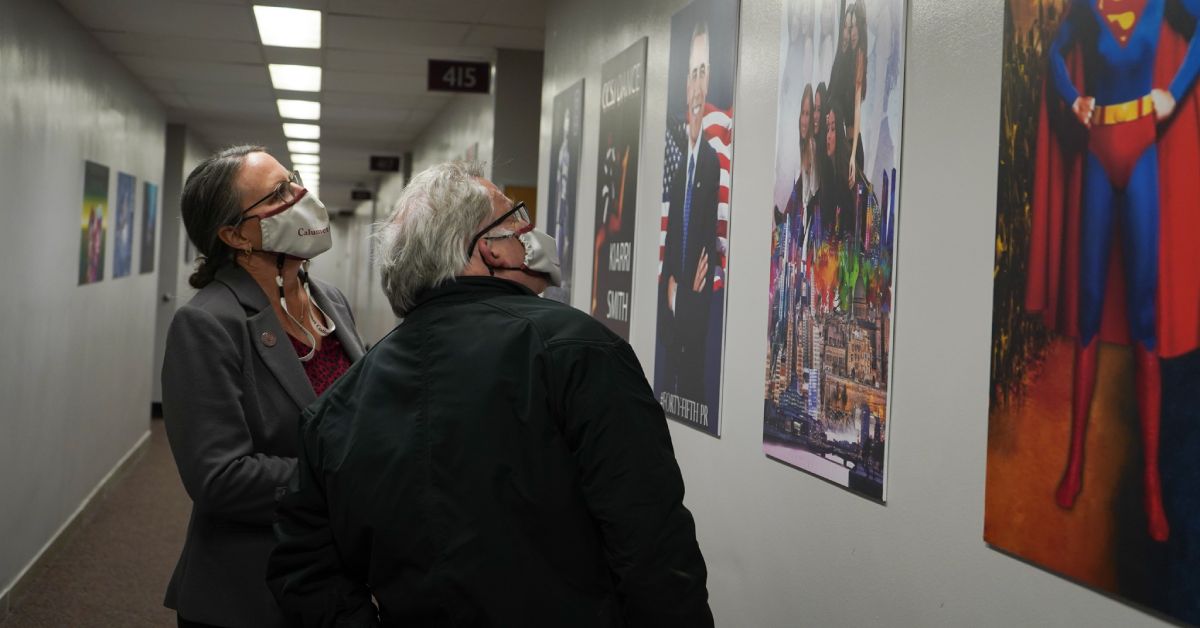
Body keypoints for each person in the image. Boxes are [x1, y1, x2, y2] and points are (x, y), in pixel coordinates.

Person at [267, 162, 712, 627]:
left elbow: (303, 569)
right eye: (516, 219)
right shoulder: (578, 351)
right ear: (490, 250)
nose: (531, 232)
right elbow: (652, 544)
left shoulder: (339, 404)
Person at [161, 145, 365, 628]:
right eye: (279, 193)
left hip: (334, 579)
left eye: (292, 180)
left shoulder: (327, 299)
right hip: (249, 589)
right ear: (235, 234)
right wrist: (345, 480)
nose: (301, 195)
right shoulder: (208, 322)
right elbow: (220, 478)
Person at [1029, 0, 1200, 543]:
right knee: (1089, 308)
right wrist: (1071, 96)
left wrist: (1176, 88)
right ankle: (1075, 461)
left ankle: (1150, 480)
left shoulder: (1165, 3)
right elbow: (1055, 56)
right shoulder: (1086, 8)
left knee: (1146, 315)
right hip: (1100, 157)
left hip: (1144, 153)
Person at [658, 21, 722, 405]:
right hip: (672, 337)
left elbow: (701, 271)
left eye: (704, 74)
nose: (697, 87)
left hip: (694, 341)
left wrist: (678, 296)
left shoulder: (712, 164)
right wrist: (676, 291)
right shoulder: (682, 168)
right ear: (685, 85)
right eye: (692, 74)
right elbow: (671, 266)